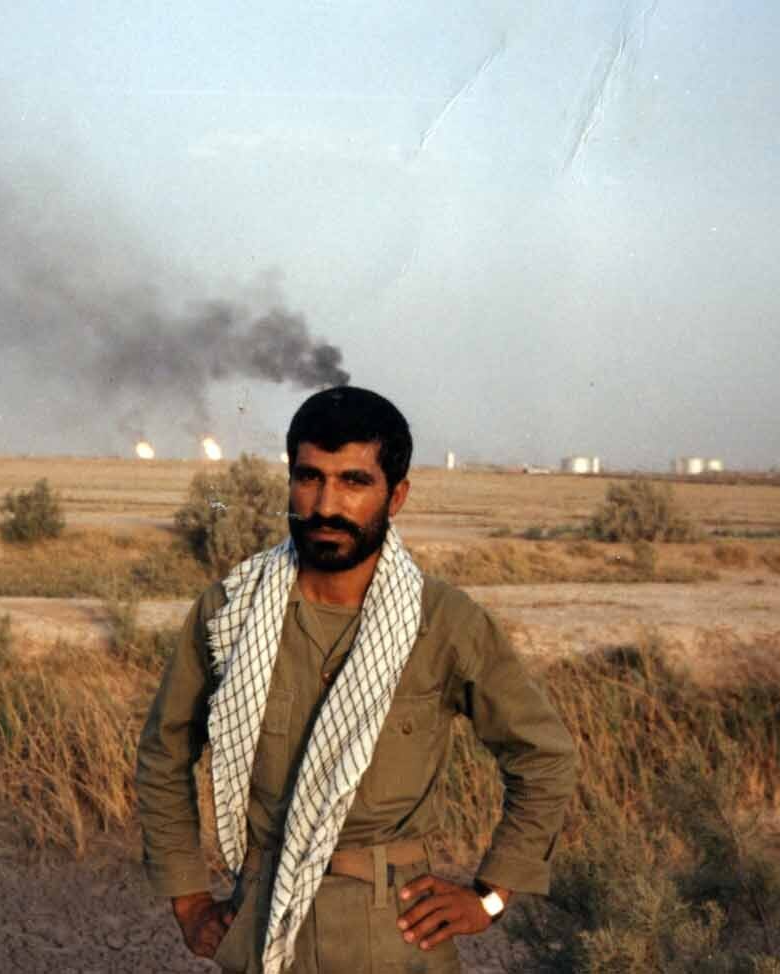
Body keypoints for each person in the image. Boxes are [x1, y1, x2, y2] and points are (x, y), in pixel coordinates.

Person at [135, 386, 577, 974]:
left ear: (396, 496)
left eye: (354, 482)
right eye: (309, 478)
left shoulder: (444, 622)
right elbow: (164, 753)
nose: (326, 505)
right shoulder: (230, 613)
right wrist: (189, 900)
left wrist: (490, 897)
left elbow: (544, 756)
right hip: (262, 927)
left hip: (396, 935)